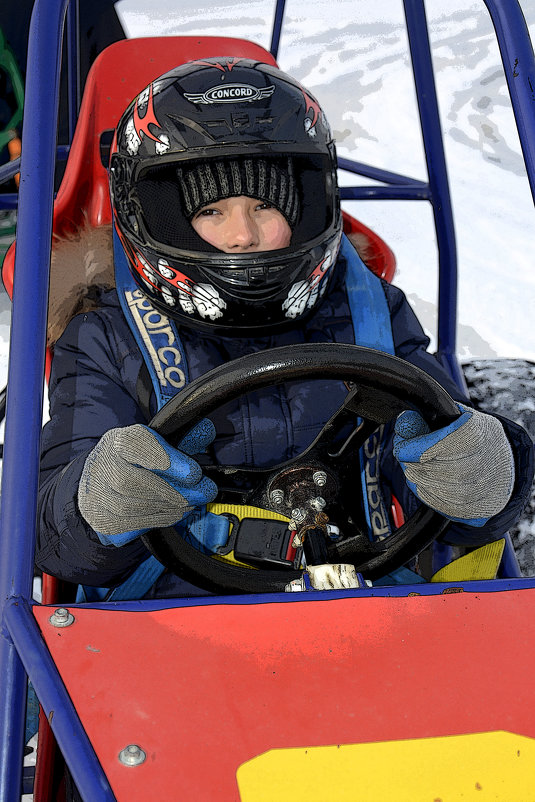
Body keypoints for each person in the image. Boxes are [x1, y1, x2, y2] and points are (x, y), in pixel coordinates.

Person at [36, 58, 534, 597]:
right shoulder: (103, 334)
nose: (243, 236)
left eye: (265, 206)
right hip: (172, 623)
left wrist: (488, 474)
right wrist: (98, 505)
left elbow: (440, 480)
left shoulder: (367, 312)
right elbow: (49, 537)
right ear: (160, 217)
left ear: (306, 205)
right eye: (211, 212)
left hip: (365, 603)